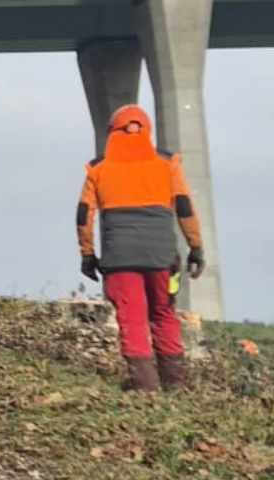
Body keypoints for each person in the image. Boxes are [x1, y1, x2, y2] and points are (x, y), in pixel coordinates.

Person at [76, 104, 206, 392]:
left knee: (132, 318)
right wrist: (196, 247)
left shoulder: (98, 168)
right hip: (162, 258)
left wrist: (87, 254)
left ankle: (143, 385)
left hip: (119, 259)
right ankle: (175, 383)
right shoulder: (167, 164)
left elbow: (84, 215)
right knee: (164, 313)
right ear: (148, 131)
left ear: (111, 132)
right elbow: (185, 208)